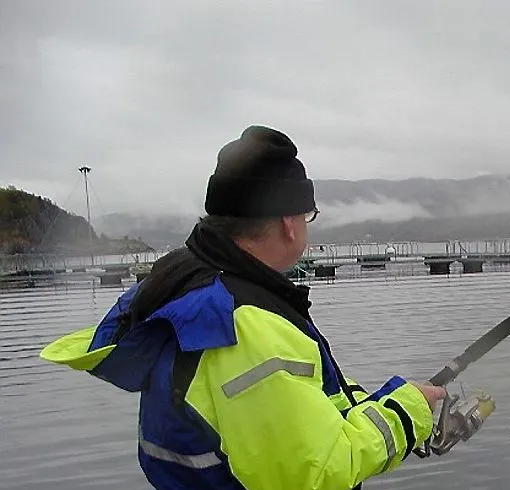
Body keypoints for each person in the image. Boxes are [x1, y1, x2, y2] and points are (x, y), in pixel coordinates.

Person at [39, 125, 446, 489]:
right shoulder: (245, 325)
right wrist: (407, 412)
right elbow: (315, 474)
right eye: (309, 215)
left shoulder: (187, 284)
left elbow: (288, 407)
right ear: (288, 221)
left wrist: (373, 402)